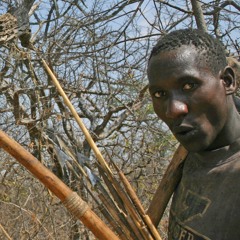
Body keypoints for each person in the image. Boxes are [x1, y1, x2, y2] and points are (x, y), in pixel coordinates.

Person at [147, 28, 240, 240]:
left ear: (227, 81)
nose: (173, 110)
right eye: (160, 94)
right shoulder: (191, 154)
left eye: (189, 85)